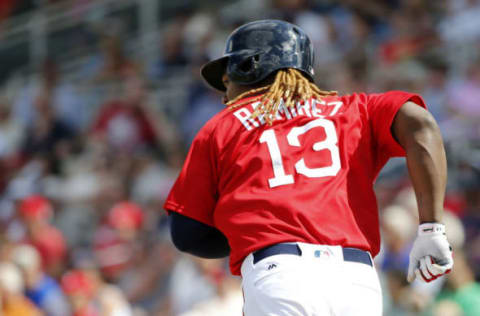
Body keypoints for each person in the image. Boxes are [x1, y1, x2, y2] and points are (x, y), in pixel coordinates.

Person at [164, 20, 454, 316]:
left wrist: (244, 225)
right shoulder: (354, 109)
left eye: (227, 83)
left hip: (279, 276)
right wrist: (432, 228)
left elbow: (187, 233)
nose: (225, 96)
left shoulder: (223, 126)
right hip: (357, 283)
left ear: (249, 68)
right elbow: (420, 123)